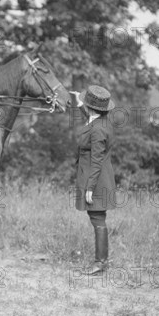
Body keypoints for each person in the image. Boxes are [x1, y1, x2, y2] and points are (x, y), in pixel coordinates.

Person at [69, 85, 116, 275]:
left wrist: (90, 188)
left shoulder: (98, 130)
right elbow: (90, 120)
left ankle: (100, 263)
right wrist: (80, 103)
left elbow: (96, 159)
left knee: (97, 219)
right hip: (98, 176)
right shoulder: (101, 122)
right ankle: (101, 262)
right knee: (97, 218)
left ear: (91, 108)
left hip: (96, 179)